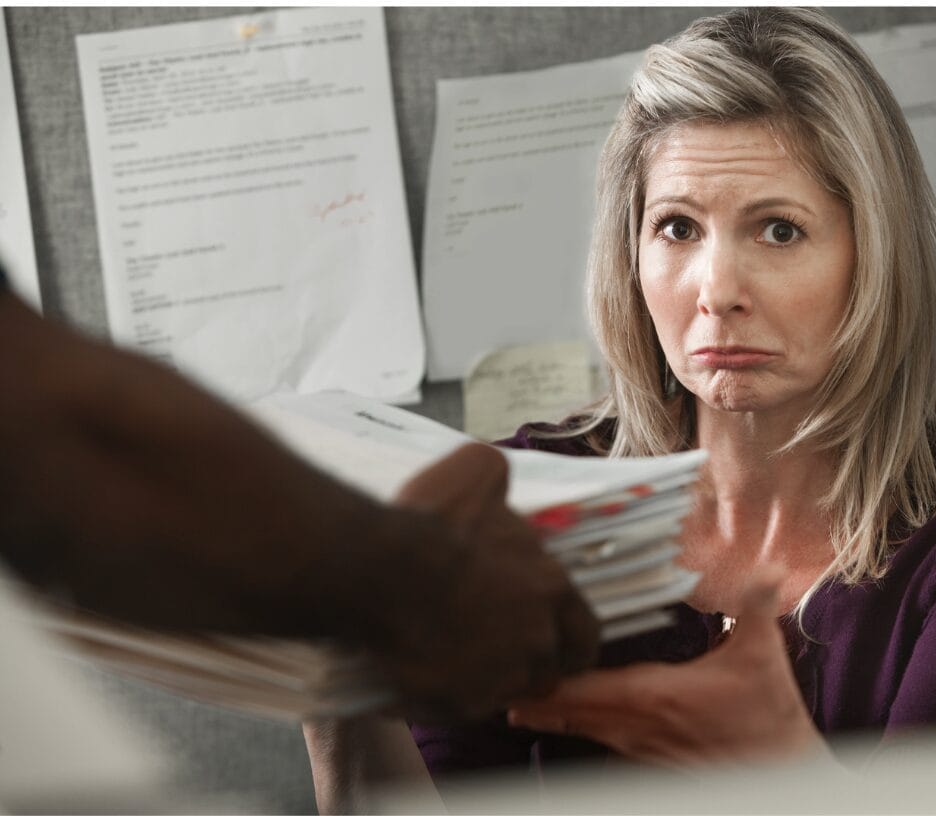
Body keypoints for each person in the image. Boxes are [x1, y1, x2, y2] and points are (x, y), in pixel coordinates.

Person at [304, 5, 936, 804]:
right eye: (677, 227)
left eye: (779, 231)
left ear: (876, 259)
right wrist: (335, 697)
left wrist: (776, 763)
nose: (716, 291)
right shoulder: (513, 505)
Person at [0, 262, 600, 725]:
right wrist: (406, 574)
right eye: (675, 227)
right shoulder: (529, 478)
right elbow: (49, 417)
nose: (702, 290)